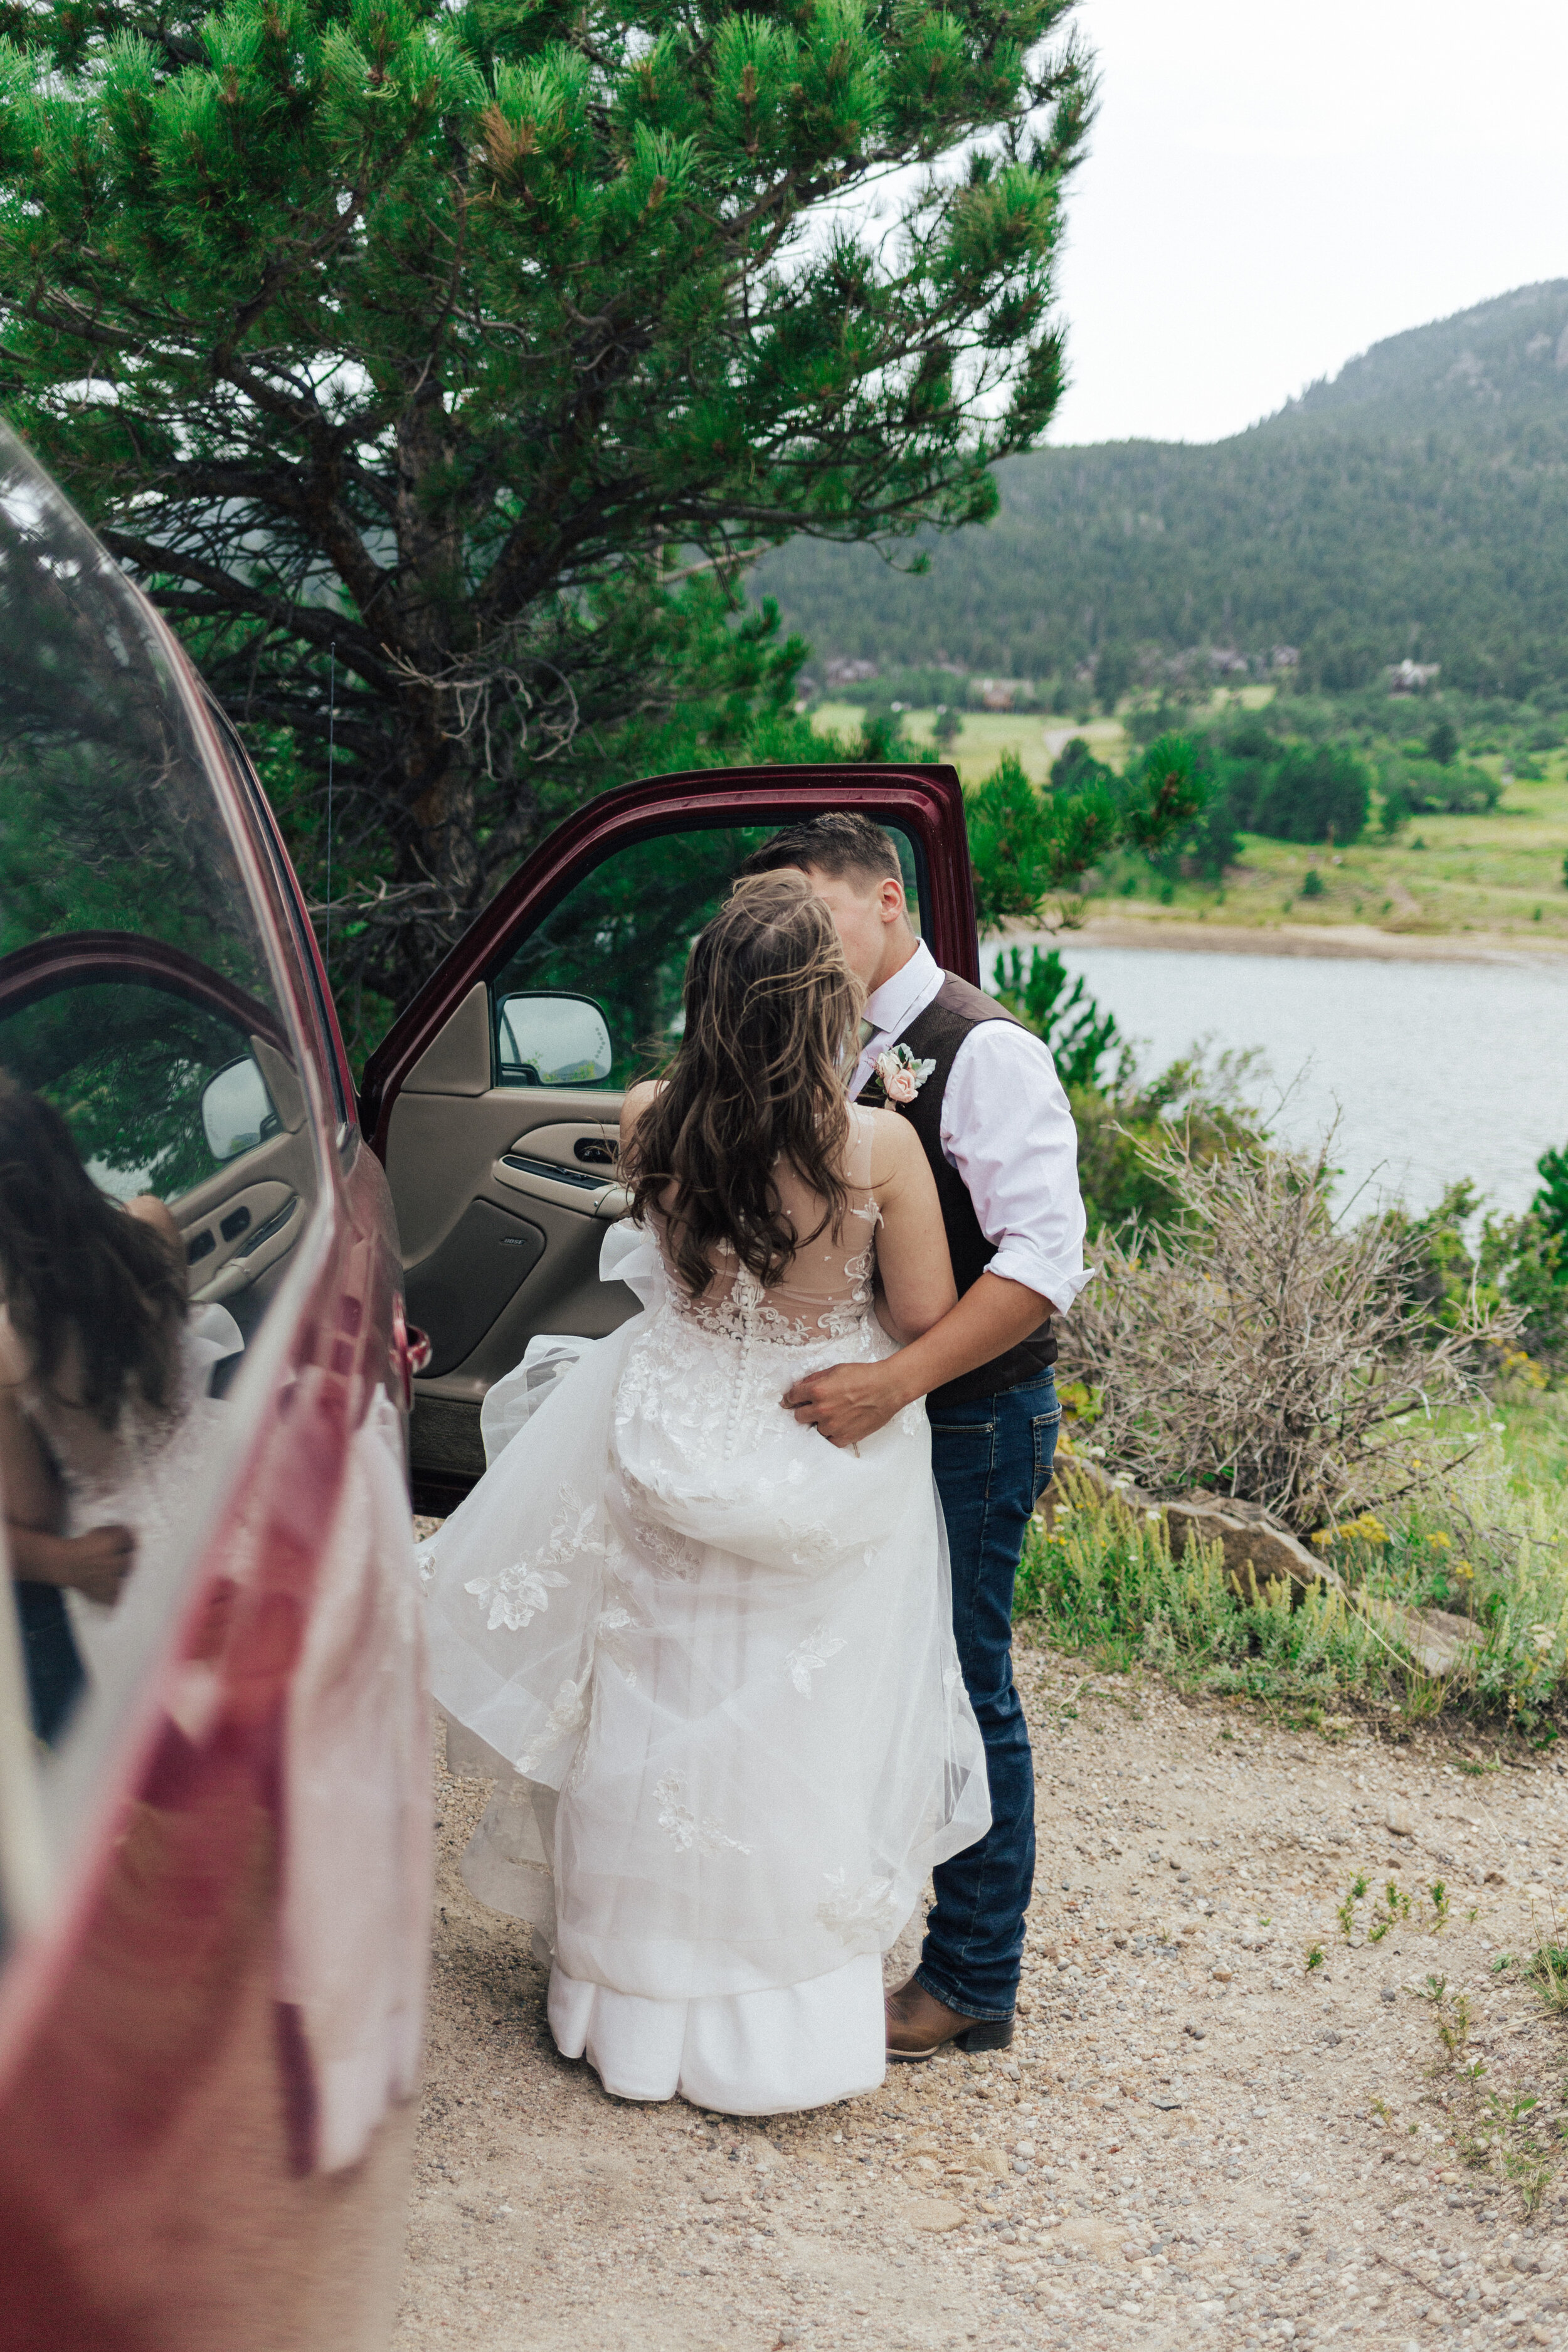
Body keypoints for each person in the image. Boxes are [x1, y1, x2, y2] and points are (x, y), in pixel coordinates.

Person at [419, 872, 990, 2114]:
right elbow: (924, 1321)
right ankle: (772, 2031)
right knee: (795, 1732)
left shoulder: (645, 1118)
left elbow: (664, 1268)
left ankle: (620, 2011)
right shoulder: (873, 1146)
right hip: (811, 1444)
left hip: (671, 1421)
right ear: (821, 1008)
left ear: (707, 999)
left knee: (645, 1700)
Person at [740, 815, 1091, 2060]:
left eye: (815, 916)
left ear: (885, 899)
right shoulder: (828, 1034)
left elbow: (1046, 1265)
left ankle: (971, 1980)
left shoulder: (983, 1052)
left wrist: (894, 1387)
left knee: (965, 1683)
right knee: (879, 1677)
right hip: (887, 1426)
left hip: (976, 1416)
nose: (800, 945)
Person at [0, 1080, 238, 1740]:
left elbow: (35, 1512)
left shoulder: (7, 1342)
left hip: (130, 1562)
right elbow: (171, 1357)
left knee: (189, 1754)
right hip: (227, 1488)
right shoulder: (153, 1226)